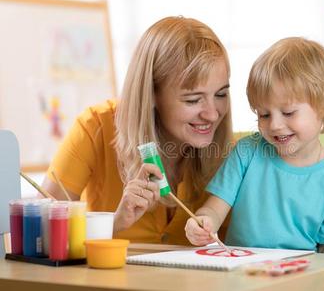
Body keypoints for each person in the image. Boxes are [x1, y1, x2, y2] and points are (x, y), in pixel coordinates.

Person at [42, 16, 233, 244]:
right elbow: (40, 233)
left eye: (221, 94)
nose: (212, 114)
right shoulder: (95, 127)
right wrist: (115, 224)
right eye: (193, 100)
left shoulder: (236, 156)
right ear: (151, 93)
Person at [185, 37, 324, 255]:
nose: (274, 125)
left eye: (288, 112)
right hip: (240, 276)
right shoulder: (247, 152)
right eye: (264, 114)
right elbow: (214, 209)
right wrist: (203, 221)